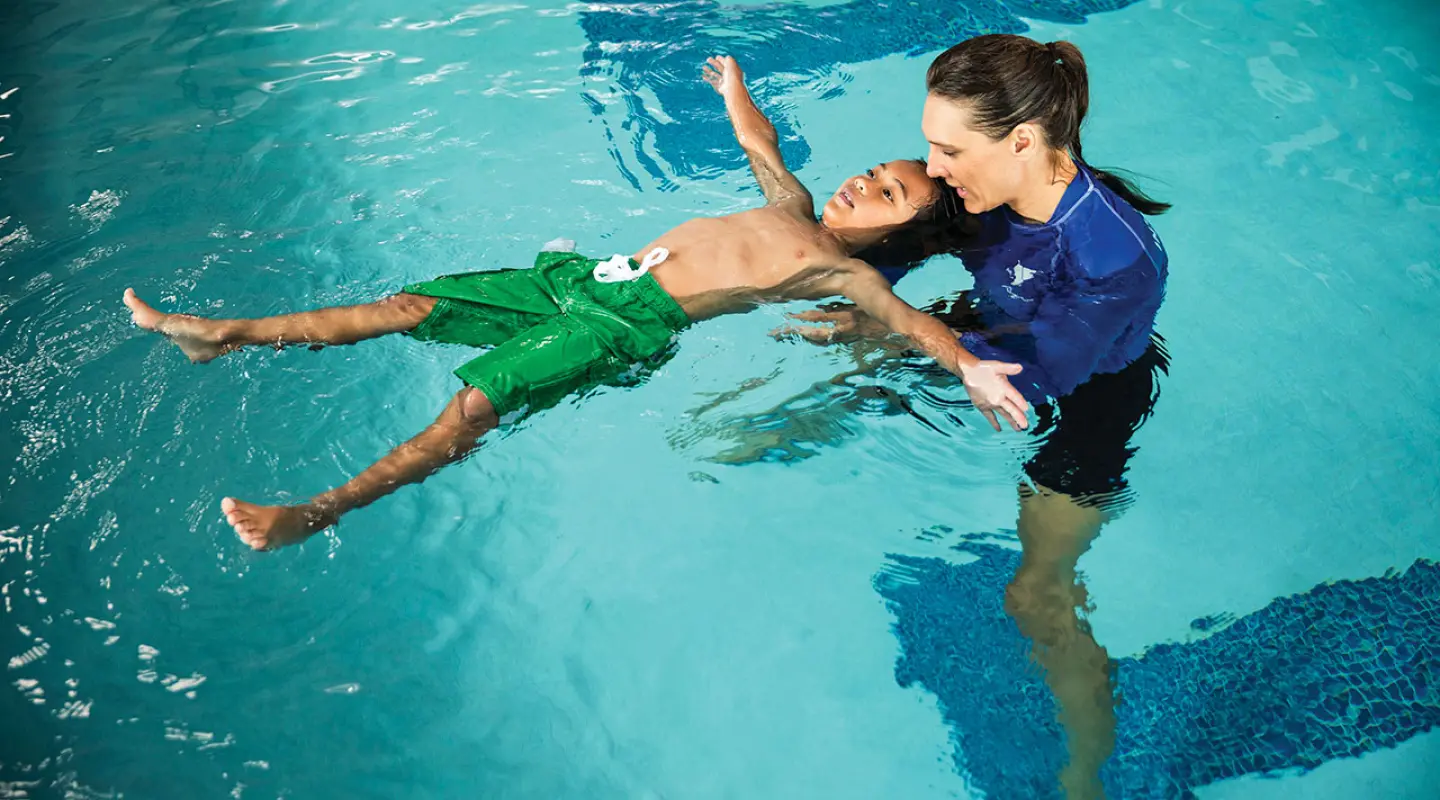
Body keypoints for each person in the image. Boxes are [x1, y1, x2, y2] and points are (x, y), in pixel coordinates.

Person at [121, 55, 1030, 552]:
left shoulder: (844, 277)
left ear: (900, 235)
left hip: (625, 325)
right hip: (589, 278)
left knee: (470, 408)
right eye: (872, 173)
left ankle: (312, 514)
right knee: (409, 305)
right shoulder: (792, 206)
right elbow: (761, 147)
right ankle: (223, 336)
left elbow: (914, 324)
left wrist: (970, 364)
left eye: (885, 196)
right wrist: (735, 90)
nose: (859, 188)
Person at [754, 34, 1171, 800]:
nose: (935, 167)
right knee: (849, 358)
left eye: (948, 150)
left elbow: (1037, 380)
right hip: (989, 332)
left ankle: (1086, 784)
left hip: (1084, 397)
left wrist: (895, 324)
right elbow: (889, 249)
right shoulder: (983, 188)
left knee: (1035, 597)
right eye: (928, 147)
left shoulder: (1115, 260)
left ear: (1020, 142)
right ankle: (765, 441)